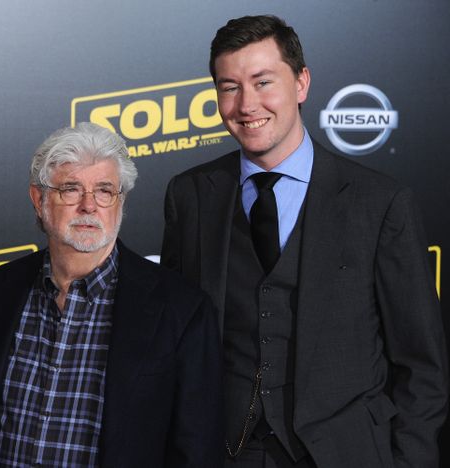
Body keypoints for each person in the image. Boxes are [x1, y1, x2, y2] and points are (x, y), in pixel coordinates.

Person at [161, 14, 448, 468]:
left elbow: (421, 363)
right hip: (226, 451)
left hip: (346, 454)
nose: (246, 104)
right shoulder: (190, 196)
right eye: (229, 87)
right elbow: (174, 340)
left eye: (263, 82)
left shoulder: (380, 202)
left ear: (301, 83)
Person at [0, 122, 223, 467]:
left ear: (121, 201)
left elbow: (196, 450)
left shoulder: (182, 310)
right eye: (71, 189)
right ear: (38, 198)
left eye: (105, 190)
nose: (89, 206)